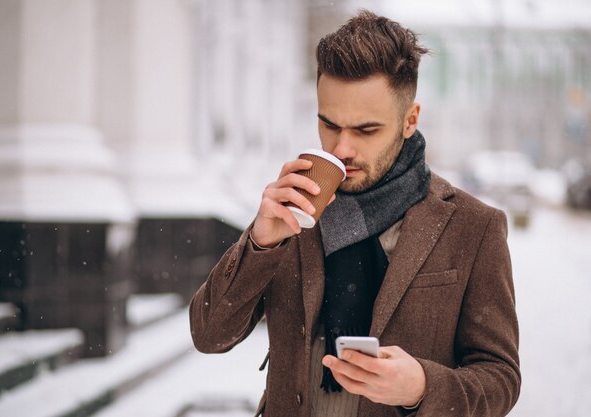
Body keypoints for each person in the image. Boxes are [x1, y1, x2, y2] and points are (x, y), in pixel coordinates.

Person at [189, 10, 520, 417]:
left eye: (365, 130)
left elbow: (500, 379)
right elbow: (209, 335)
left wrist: (421, 387)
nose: (341, 149)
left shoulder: (473, 227)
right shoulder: (295, 210)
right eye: (328, 124)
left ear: (409, 120)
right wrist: (261, 242)